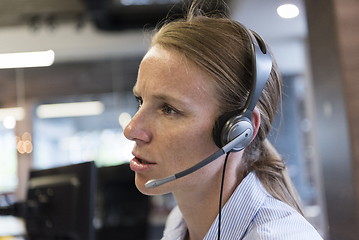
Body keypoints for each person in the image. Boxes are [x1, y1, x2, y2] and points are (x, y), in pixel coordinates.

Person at [124, 1, 323, 239]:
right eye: (140, 100)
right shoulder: (179, 222)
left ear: (237, 132)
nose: (131, 129)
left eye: (168, 109)